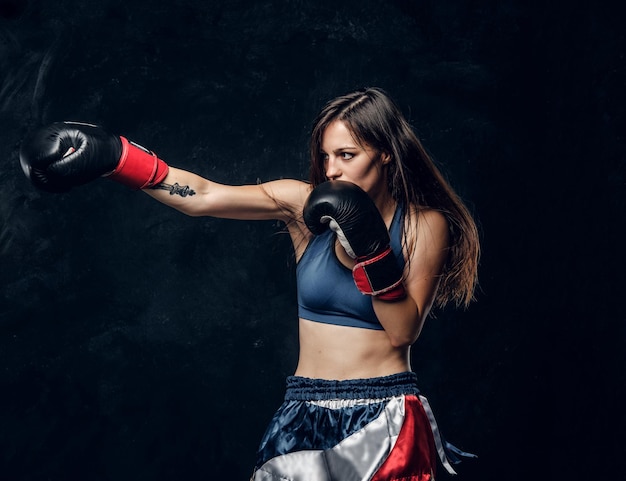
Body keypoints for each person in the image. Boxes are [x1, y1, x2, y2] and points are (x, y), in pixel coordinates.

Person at [19, 87, 479, 480]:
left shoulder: (423, 226)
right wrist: (117, 157)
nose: (332, 170)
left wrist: (370, 250)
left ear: (383, 152)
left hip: (384, 414)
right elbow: (202, 195)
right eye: (325, 155)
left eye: (347, 155)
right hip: (301, 408)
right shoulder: (304, 207)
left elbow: (402, 330)